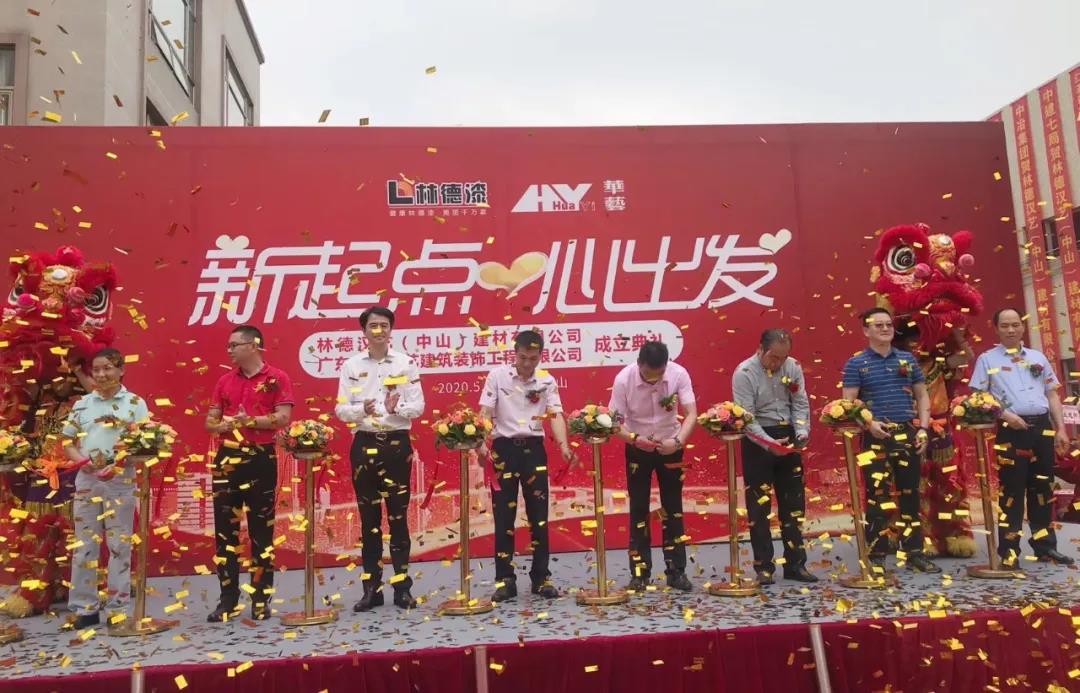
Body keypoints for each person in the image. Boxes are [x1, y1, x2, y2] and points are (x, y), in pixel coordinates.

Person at [335, 306, 425, 611]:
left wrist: (396, 408)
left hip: (396, 444)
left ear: (391, 330)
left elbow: (418, 406)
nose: (379, 330)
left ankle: (402, 589)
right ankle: (371, 590)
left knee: (398, 518)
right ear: (364, 331)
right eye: (373, 325)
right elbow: (341, 409)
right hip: (364, 443)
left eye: (384, 325)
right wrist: (362, 410)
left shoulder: (405, 363)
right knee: (369, 521)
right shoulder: (351, 365)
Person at [968, 308, 1074, 567]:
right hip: (1011, 430)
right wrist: (1005, 415)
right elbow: (978, 397)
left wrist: (1060, 428)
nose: (1011, 330)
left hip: (1042, 428)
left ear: (1023, 327)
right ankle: (1009, 550)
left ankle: (1045, 546)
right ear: (996, 328)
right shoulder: (987, 359)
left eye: (1015, 324)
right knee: (1012, 490)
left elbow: (1052, 394)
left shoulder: (1037, 357)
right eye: (1005, 325)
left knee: (1043, 488)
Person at [205, 325, 294, 622]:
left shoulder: (277, 378)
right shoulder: (224, 380)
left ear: (253, 345)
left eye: (234, 345)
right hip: (227, 457)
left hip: (260, 457)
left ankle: (260, 598)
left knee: (261, 532)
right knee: (225, 532)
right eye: (228, 346)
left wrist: (250, 421)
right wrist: (223, 425)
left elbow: (283, 417)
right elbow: (210, 421)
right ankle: (227, 600)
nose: (229, 350)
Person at [841, 307, 940, 573]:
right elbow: (848, 403)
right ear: (866, 331)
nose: (885, 329)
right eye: (878, 325)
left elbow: (922, 395)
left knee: (911, 495)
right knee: (877, 497)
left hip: (908, 433)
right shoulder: (856, 363)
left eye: (888, 325)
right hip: (873, 437)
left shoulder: (907, 359)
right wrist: (869, 424)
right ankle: (876, 557)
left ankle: (915, 553)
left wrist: (923, 429)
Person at [478, 330, 574, 602]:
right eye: (522, 358)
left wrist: (563, 445)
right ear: (515, 353)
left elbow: (555, 414)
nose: (527, 363)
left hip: (534, 451)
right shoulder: (497, 376)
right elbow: (485, 412)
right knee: (503, 518)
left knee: (539, 516)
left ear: (540, 355)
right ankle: (505, 580)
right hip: (504, 449)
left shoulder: (546, 380)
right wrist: (480, 443)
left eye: (533, 358)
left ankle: (541, 578)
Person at [62, 348, 149, 629]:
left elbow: (145, 444)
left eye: (107, 368)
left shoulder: (135, 403)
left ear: (121, 370)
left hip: (120, 481)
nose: (101, 375)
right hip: (87, 480)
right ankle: (84, 608)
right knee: (84, 546)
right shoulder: (82, 404)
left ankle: (118, 608)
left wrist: (121, 462)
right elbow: (67, 441)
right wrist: (82, 462)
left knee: (119, 545)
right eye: (96, 370)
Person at [609, 341, 697, 592]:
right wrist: (635, 439)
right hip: (638, 446)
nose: (653, 381)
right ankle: (640, 573)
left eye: (658, 376)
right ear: (639, 364)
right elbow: (614, 423)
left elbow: (691, 413)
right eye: (648, 375)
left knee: (673, 507)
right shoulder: (623, 379)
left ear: (666, 366)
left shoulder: (678, 373)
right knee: (639, 508)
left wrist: (677, 442)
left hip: (671, 444)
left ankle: (676, 571)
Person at [731, 329, 817, 585]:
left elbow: (800, 403)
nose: (778, 363)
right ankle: (764, 567)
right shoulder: (744, 373)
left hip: (788, 435)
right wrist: (769, 444)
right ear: (760, 349)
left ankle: (796, 564)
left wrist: (801, 431)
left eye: (783, 357)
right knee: (759, 508)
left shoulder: (793, 367)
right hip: (758, 438)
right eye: (773, 357)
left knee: (794, 505)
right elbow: (746, 417)